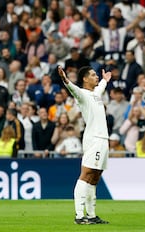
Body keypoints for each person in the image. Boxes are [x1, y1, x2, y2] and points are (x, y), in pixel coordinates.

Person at [58, 65, 111, 225]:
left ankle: (92, 215)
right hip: (94, 139)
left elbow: (100, 88)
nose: (96, 77)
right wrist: (65, 79)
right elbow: (73, 89)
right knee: (86, 174)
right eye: (94, 75)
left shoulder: (95, 94)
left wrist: (104, 80)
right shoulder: (83, 95)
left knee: (95, 177)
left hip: (103, 140)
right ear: (85, 79)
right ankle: (79, 216)